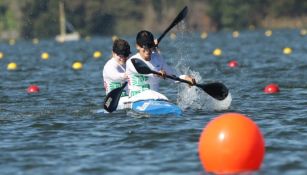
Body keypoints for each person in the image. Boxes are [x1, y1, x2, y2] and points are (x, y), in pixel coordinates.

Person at [125, 30, 195, 97]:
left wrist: (185, 78)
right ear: (137, 46)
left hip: (154, 98)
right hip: (135, 98)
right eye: (144, 47)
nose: (147, 50)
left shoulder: (158, 58)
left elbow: (172, 77)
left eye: (150, 46)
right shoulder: (132, 61)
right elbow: (144, 70)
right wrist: (157, 73)